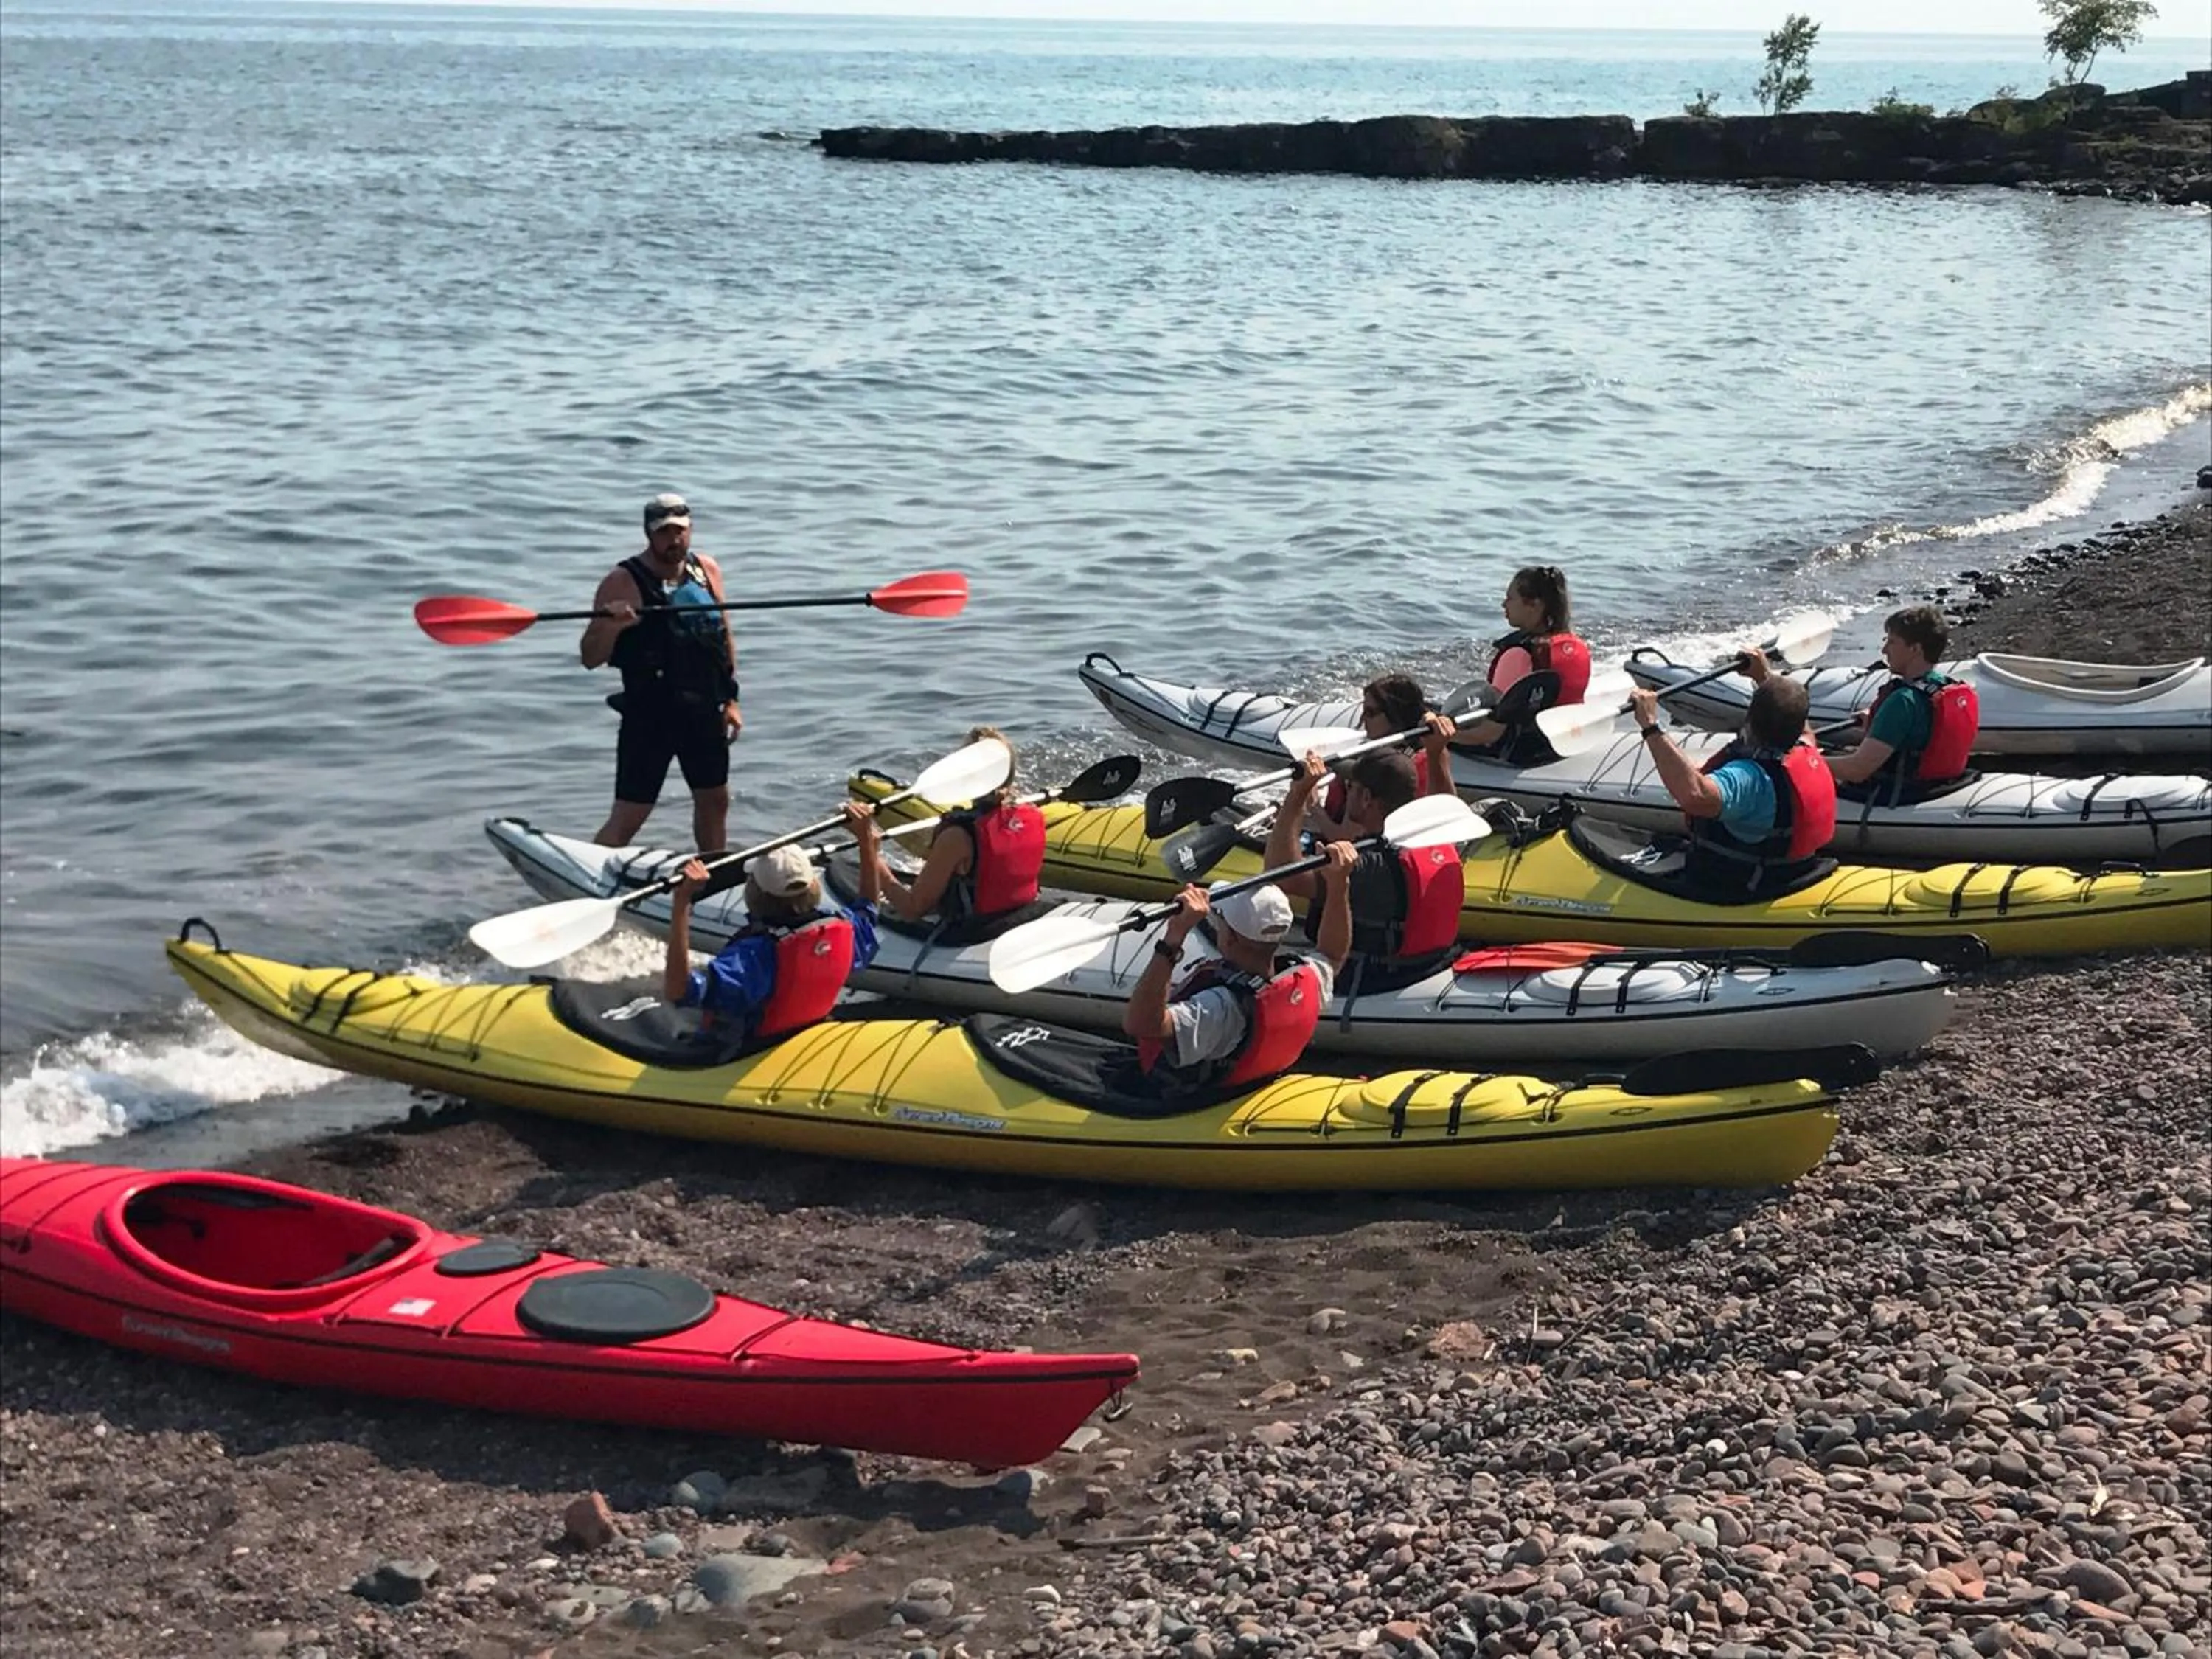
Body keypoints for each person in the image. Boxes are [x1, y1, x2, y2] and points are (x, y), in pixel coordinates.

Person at [1122, 842, 1355, 1093]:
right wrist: (1338, 885)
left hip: (1181, 1099)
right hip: (1254, 1083)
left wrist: (1173, 939)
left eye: (1219, 921)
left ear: (1231, 938)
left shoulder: (1220, 1009)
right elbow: (1333, 954)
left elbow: (1141, 1024)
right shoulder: (1306, 977)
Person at [580, 493, 742, 853]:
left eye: (680, 531)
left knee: (715, 802)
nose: (674, 540)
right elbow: (590, 657)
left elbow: (723, 637)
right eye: (664, 532)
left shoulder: (707, 570)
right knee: (631, 814)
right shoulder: (622, 581)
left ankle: (716, 872)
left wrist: (731, 699)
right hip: (650, 718)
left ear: (691, 530)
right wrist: (612, 625)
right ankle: (590, 872)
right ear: (648, 534)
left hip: (704, 712)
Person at [660, 804, 884, 1045]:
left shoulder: (753, 955)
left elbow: (678, 991)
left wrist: (682, 904)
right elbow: (868, 908)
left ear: (755, 891)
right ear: (813, 886)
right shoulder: (844, 930)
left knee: (658, 1009)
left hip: (745, 1048)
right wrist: (867, 843)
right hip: (803, 1030)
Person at [1630, 670, 1837, 896]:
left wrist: (1650, 725)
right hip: (1793, 872)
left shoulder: (1750, 778)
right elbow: (1798, 722)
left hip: (1741, 887)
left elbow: (1696, 795)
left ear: (1749, 720)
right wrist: (1763, 676)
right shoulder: (1806, 748)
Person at [1753, 605, 1980, 804]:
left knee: (1799, 757)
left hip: (1901, 792)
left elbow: (1857, 770)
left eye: (1892, 642)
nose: (1884, 650)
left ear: (1915, 649)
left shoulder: (1903, 701)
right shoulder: (1944, 686)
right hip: (1934, 783)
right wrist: (1877, 722)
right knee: (1821, 749)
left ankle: (1766, 681)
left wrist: (1804, 762)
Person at [1267, 745, 1465, 973]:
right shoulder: (1438, 838)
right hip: (1430, 965)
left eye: (1350, 787)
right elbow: (1444, 801)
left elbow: (1284, 876)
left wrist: (1297, 796)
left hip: (1373, 980)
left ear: (1366, 798)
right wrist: (1437, 752)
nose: (1348, 792)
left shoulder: (1372, 865)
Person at [849, 726, 1045, 936]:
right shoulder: (1033, 815)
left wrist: (869, 849)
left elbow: (912, 910)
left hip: (976, 932)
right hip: (1021, 916)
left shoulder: (957, 837)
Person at [1453, 565, 1593, 762]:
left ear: (1534, 604)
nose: (1504, 604)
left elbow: (1491, 734)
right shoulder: (1575, 646)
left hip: (1520, 754)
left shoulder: (1519, 656)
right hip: (1559, 745)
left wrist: (1443, 736)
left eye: (1510, 598)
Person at [1306, 675, 1441, 837]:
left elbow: (1345, 836)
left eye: (1371, 713)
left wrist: (1312, 804)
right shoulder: (1386, 753)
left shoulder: (1394, 768)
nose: (1363, 719)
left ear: (1396, 716)